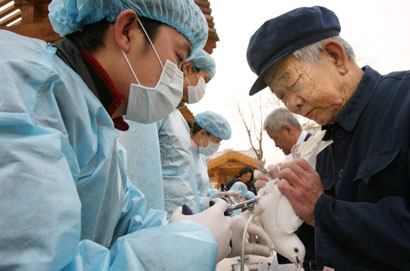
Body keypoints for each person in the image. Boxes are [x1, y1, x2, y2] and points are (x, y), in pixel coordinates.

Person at [0, 0, 273, 270]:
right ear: (127, 31)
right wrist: (186, 247)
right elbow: (31, 262)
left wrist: (197, 231)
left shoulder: (97, 121)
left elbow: (128, 220)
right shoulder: (24, 89)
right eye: (179, 58)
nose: (178, 78)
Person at [246, 5, 410, 270]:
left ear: (336, 58)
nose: (291, 104)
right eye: (280, 96)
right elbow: (332, 242)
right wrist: (282, 210)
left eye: (293, 84)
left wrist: (320, 209)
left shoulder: (404, 102)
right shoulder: (324, 146)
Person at [156, 50, 215, 217]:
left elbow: (185, 181)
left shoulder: (178, 118)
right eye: (205, 80)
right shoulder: (156, 110)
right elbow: (142, 175)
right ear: (188, 68)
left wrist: (201, 204)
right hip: (162, 220)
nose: (204, 88)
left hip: (183, 217)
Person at [190, 111, 232, 205]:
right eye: (216, 141)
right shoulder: (185, 154)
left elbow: (202, 189)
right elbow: (187, 193)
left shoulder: (201, 157)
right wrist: (205, 203)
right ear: (202, 134)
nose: (217, 145)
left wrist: (217, 194)